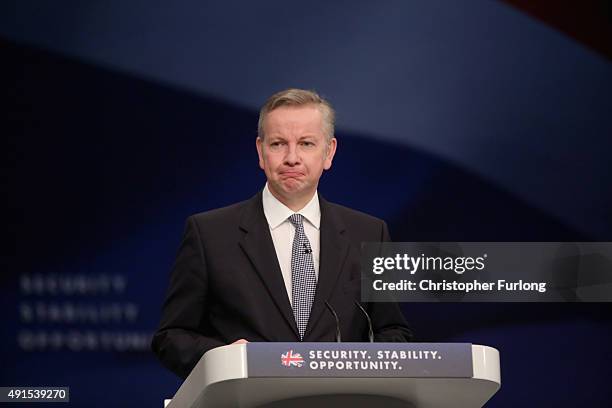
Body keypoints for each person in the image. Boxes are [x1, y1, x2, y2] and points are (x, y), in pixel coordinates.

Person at [152, 88, 413, 379]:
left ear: (329, 152)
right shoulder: (209, 234)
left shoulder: (370, 233)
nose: (292, 158)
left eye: (306, 144)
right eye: (278, 144)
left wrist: (356, 363)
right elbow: (171, 336)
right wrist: (221, 359)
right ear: (261, 152)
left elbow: (393, 331)